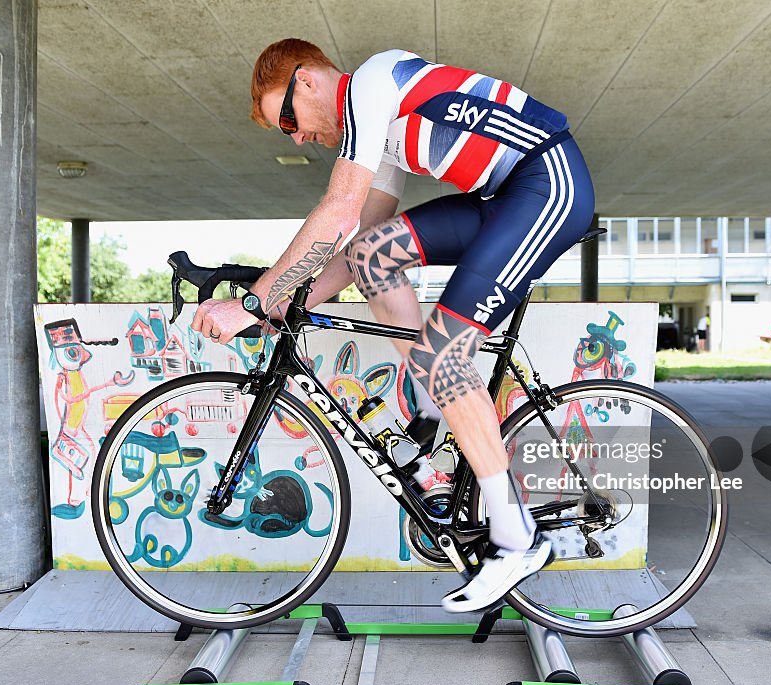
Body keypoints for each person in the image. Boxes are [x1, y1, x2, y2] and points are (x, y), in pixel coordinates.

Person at [191, 38, 597, 612]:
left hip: (547, 185)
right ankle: (434, 424)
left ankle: (516, 537)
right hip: (500, 198)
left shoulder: (377, 82)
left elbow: (334, 213)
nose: (299, 137)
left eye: (287, 120)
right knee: (374, 256)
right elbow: (355, 240)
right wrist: (280, 303)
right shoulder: (373, 128)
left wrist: (255, 303)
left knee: (442, 358)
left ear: (306, 80)